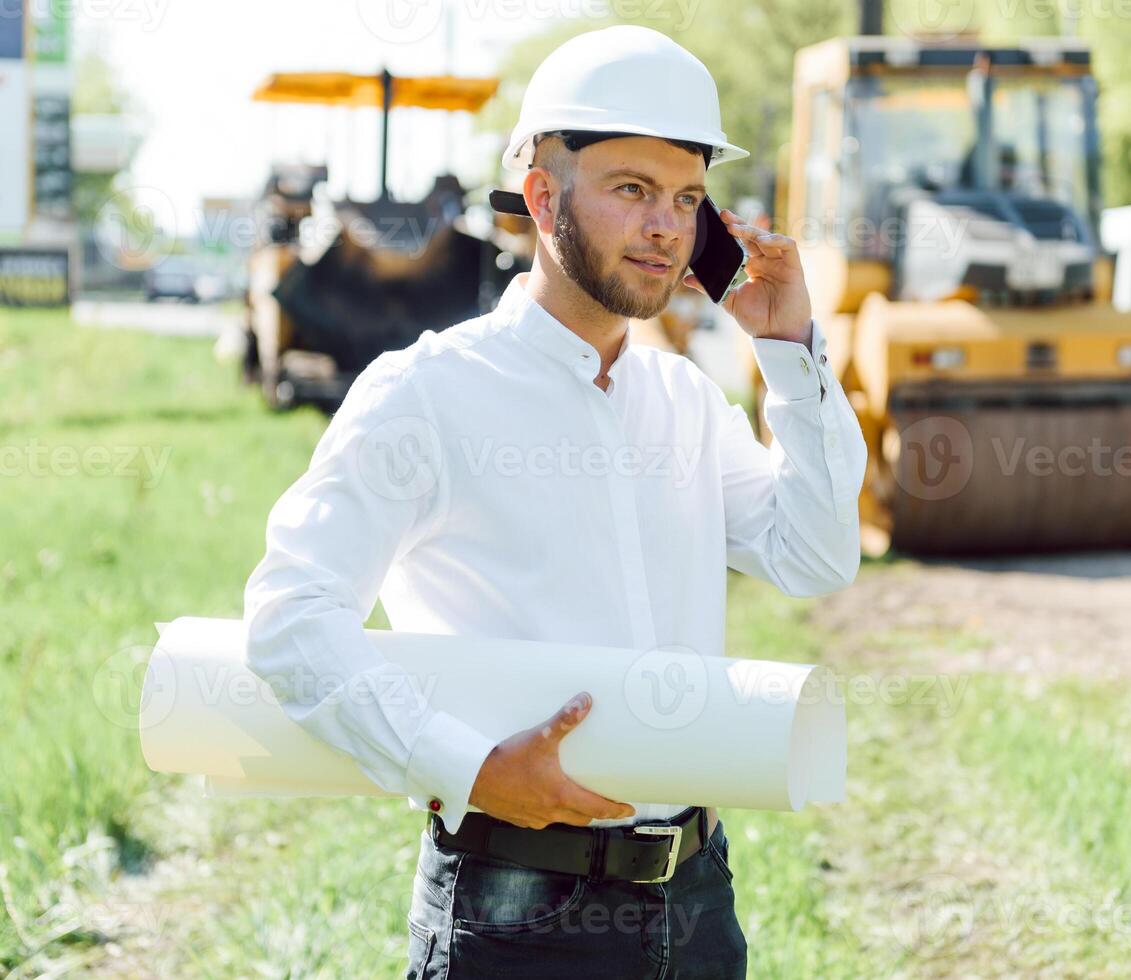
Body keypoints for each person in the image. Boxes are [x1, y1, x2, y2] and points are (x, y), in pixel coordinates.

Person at [241, 24, 866, 979]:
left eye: (687, 199)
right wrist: (470, 769)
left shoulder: (686, 401)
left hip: (696, 902)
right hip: (514, 910)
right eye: (631, 191)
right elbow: (290, 619)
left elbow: (817, 557)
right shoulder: (426, 393)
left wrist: (789, 355)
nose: (665, 226)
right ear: (541, 196)